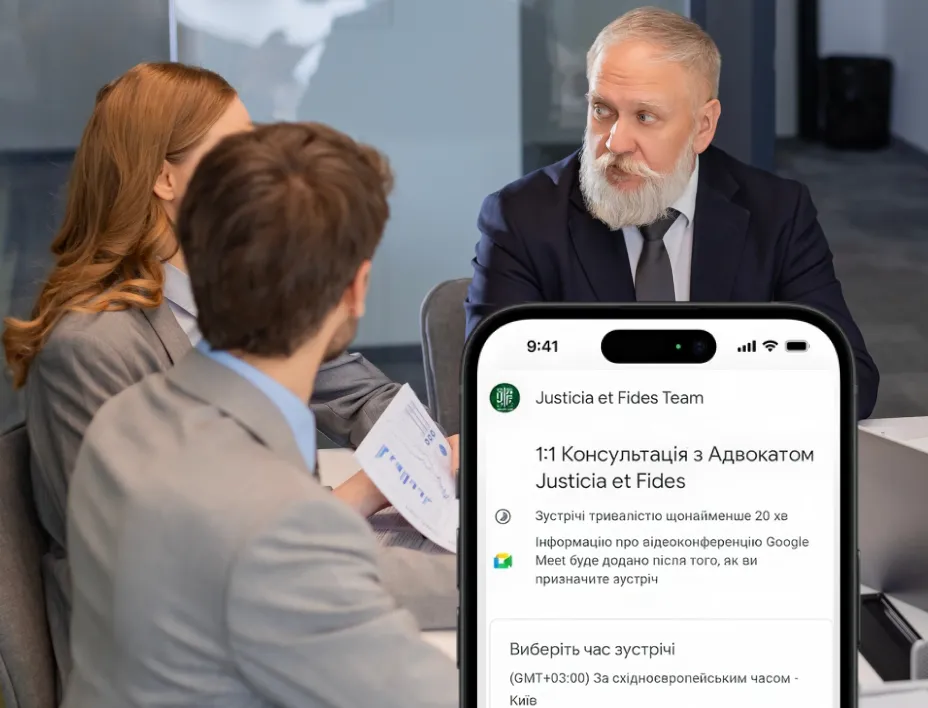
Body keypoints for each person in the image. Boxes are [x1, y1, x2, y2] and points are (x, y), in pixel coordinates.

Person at [1, 62, 456, 693]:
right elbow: (218, 561)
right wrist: (512, 569)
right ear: (164, 178)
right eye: (234, 152)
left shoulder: (237, 300)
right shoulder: (94, 348)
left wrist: (415, 467)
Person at [465, 7, 879, 419]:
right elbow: (498, 393)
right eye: (602, 110)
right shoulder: (520, 217)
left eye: (645, 117)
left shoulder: (778, 212)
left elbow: (851, 379)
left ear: (703, 126)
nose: (615, 142)